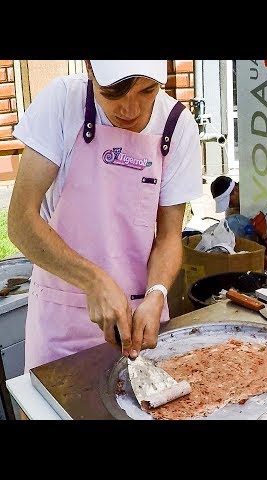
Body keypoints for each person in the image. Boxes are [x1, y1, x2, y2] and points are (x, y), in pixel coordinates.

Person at [8, 60, 203, 371]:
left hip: (139, 325)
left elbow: (169, 236)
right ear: (89, 69)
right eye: (113, 92)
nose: (130, 108)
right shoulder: (62, 103)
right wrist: (93, 280)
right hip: (61, 321)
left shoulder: (177, 125)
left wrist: (158, 293)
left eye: (147, 90)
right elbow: (20, 223)